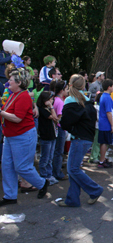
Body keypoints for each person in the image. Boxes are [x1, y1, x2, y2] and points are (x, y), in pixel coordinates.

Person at [0, 68, 49, 206]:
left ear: (19, 82)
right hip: (10, 136)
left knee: (22, 167)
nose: (8, 81)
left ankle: (42, 183)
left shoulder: (23, 96)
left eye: (11, 80)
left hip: (22, 136)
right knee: (7, 166)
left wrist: (1, 113)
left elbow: (17, 118)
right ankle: (10, 196)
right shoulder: (13, 95)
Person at [58, 74, 103, 207]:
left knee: (72, 169)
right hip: (87, 138)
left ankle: (95, 190)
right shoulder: (86, 99)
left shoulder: (70, 101)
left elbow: (64, 122)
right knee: (74, 169)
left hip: (79, 138)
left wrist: (71, 128)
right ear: (83, 86)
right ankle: (72, 199)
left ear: (70, 85)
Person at [37, 91, 59, 186]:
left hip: (52, 135)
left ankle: (49, 175)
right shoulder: (42, 110)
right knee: (45, 158)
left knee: (50, 157)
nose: (52, 100)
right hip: (46, 136)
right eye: (50, 99)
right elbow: (54, 117)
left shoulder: (47, 109)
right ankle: (44, 176)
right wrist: (51, 106)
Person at [52, 80, 69, 181]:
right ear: (62, 90)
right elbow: (59, 117)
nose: (67, 91)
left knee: (55, 151)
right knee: (59, 151)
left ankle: (55, 171)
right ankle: (57, 172)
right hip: (59, 128)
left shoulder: (54, 99)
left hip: (55, 128)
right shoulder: (60, 102)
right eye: (66, 89)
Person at [98, 79, 113, 168]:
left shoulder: (103, 96)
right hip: (106, 123)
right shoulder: (107, 97)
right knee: (104, 142)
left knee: (103, 142)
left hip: (103, 122)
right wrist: (112, 125)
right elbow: (109, 112)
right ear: (109, 87)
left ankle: (103, 158)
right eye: (112, 86)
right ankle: (101, 161)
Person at [89, 92, 102, 163]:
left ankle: (98, 155)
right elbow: (96, 118)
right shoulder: (96, 107)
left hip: (101, 126)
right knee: (96, 142)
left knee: (99, 142)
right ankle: (94, 156)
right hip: (97, 126)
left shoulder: (98, 106)